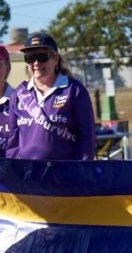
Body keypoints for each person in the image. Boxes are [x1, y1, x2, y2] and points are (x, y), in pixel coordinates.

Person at [5, 32, 96, 160]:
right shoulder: (18, 95)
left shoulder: (74, 90)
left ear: (55, 59)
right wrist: (13, 173)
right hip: (28, 175)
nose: (36, 63)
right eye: (30, 58)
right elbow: (13, 143)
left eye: (42, 57)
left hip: (64, 175)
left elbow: (87, 137)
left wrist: (80, 170)